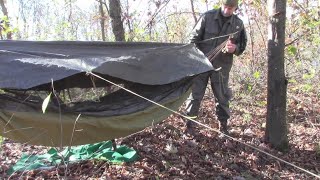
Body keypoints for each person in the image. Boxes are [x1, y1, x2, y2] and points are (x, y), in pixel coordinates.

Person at [185, 0, 247, 136]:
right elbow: (192, 40)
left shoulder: (238, 24)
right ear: (221, 4)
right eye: (225, 6)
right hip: (200, 65)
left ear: (235, 8)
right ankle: (189, 127)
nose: (227, 10)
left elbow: (242, 45)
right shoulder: (207, 17)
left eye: (231, 8)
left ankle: (223, 128)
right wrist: (196, 58)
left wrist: (234, 48)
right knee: (195, 96)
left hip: (222, 67)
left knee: (222, 97)